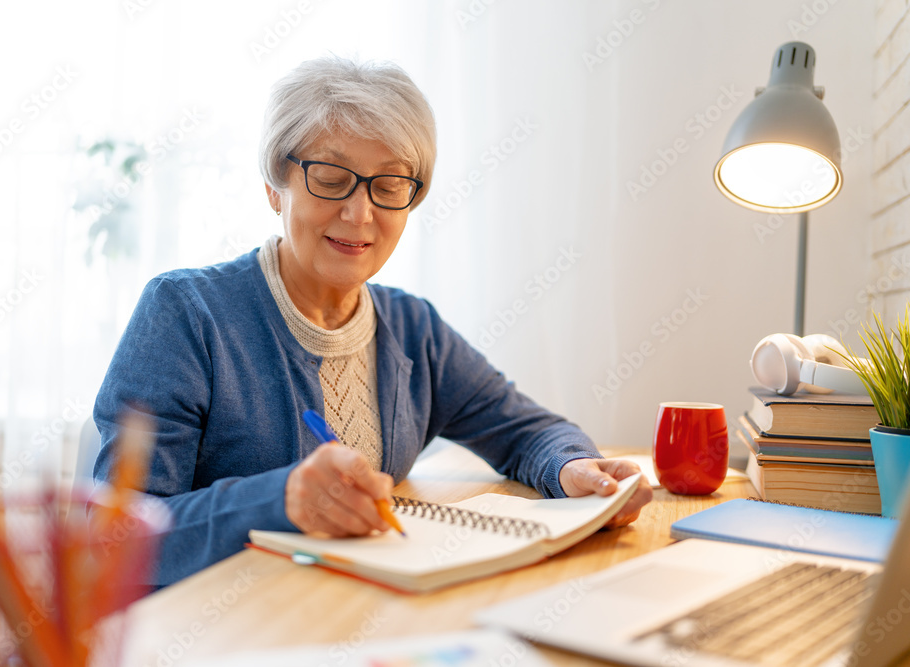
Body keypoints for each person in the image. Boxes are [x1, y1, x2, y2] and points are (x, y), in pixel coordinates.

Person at [93, 56, 652, 587]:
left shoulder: (413, 327)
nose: (359, 214)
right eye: (332, 179)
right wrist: (279, 500)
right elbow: (117, 534)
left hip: (355, 609)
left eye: (388, 187)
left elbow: (526, 430)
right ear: (273, 186)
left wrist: (573, 467)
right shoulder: (186, 313)